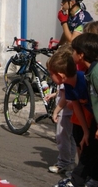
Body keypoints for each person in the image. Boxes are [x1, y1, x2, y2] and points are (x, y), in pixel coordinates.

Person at [54, 33, 98, 187]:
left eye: (73, 51)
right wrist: (87, 131)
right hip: (92, 121)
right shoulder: (88, 74)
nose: (71, 54)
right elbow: (79, 106)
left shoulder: (94, 74)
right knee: (89, 150)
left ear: (81, 54)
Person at [47, 45, 92, 182]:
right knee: (81, 143)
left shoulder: (84, 80)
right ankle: (84, 176)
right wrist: (86, 132)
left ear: (60, 75)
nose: (50, 77)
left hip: (93, 116)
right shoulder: (67, 83)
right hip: (85, 117)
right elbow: (77, 107)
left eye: (51, 74)